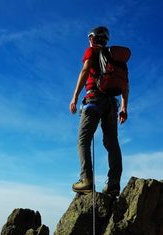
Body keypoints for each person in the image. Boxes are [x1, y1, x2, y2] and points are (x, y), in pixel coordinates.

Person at [69, 26, 128, 196]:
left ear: (93, 39)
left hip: (93, 100)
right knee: (111, 142)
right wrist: (124, 107)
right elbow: (125, 85)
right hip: (112, 104)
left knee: (83, 140)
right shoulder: (116, 60)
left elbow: (85, 70)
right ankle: (114, 183)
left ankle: (86, 180)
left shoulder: (91, 51)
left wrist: (74, 97)